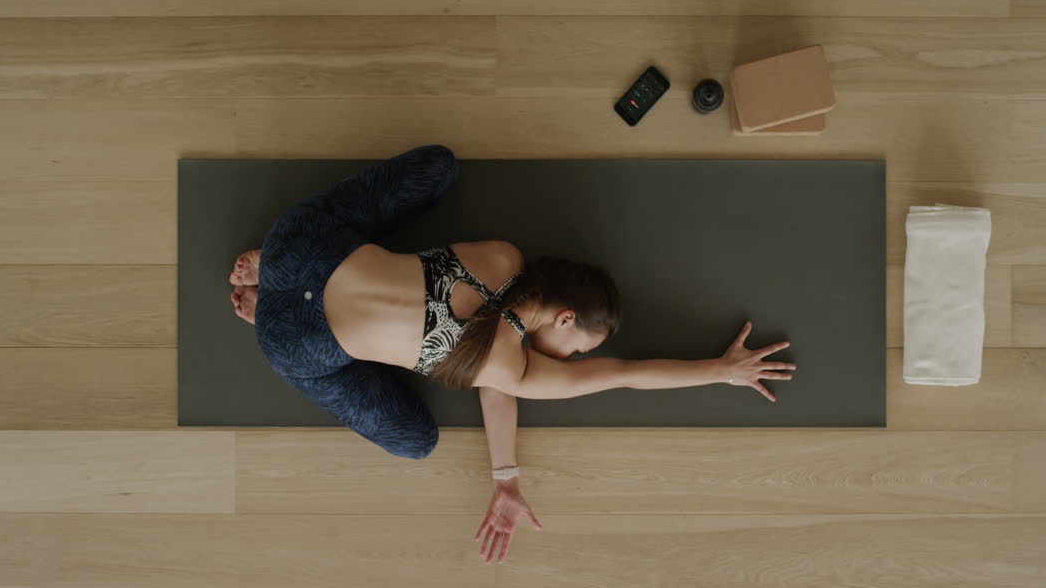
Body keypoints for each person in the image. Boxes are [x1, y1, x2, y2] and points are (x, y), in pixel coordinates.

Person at [227, 145, 797, 564]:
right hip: (296, 339)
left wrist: (507, 473)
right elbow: (625, 375)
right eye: (577, 348)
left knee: (439, 168)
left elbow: (496, 350)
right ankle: (268, 309)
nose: (571, 360)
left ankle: (275, 266)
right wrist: (721, 371)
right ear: (567, 318)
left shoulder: (500, 257)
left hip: (307, 242)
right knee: (415, 441)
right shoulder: (513, 369)